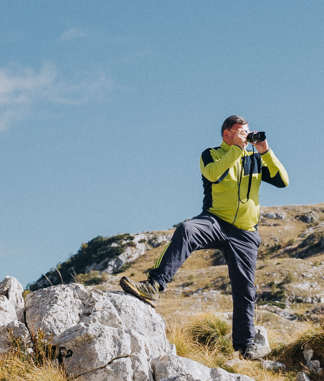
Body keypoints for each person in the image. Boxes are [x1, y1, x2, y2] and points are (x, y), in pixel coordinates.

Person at [120, 114, 288, 359]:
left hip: (245, 233)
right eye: (241, 132)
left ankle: (244, 346)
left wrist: (264, 150)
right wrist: (237, 150)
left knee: (245, 290)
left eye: (248, 131)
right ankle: (154, 286)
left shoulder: (255, 159)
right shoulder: (212, 154)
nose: (246, 135)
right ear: (227, 134)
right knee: (187, 230)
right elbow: (214, 175)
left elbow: (283, 181)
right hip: (214, 221)